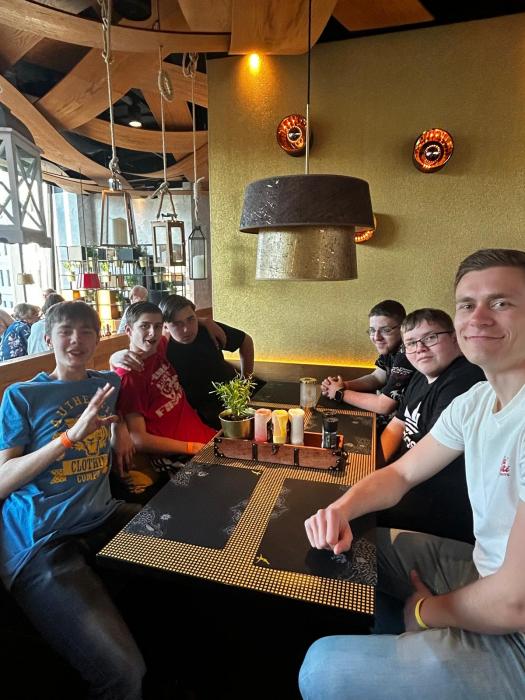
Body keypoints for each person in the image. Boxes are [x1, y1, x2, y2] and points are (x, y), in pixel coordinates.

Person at [300, 248, 525, 700]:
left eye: (501, 302)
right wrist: (340, 509)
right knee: (354, 544)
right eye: (467, 304)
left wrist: (424, 613)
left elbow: (514, 602)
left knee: (322, 669)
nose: (478, 317)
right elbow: (401, 475)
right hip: (486, 571)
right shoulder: (477, 401)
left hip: (517, 626)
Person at [0, 300, 145, 699]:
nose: (76, 340)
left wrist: (120, 431)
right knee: (124, 674)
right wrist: (68, 438)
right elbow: (2, 480)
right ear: (48, 339)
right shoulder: (21, 395)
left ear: (97, 340)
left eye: (86, 332)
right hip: (40, 539)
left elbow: (125, 378)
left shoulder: (107, 385)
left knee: (194, 560)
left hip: (104, 517)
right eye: (65, 332)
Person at [378, 307, 485, 543]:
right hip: (408, 480)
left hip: (438, 502)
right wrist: (374, 467)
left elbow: (426, 459)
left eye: (430, 338)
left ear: (455, 338)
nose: (420, 349)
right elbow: (397, 425)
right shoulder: (420, 374)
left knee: (355, 515)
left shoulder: (464, 379)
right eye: (411, 343)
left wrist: (380, 479)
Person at [112, 295, 255, 430]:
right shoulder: (162, 346)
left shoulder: (207, 329)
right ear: (165, 327)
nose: (187, 329)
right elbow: (131, 365)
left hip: (228, 402)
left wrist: (245, 383)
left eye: (191, 319)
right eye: (177, 324)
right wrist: (114, 358)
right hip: (192, 413)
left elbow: (245, 341)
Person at [116, 301, 216, 461]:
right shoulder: (130, 377)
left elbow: (176, 322)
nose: (152, 333)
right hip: (181, 456)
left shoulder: (159, 347)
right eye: (144, 326)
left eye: (157, 326)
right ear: (128, 330)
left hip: (207, 438)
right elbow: (138, 438)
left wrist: (205, 321)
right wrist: (191, 447)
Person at [322, 300, 415, 430]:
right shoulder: (390, 349)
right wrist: (345, 385)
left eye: (385, 330)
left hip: (404, 427)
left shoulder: (407, 352)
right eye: (372, 330)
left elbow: (384, 406)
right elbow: (377, 378)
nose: (376, 337)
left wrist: (340, 393)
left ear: (402, 329)